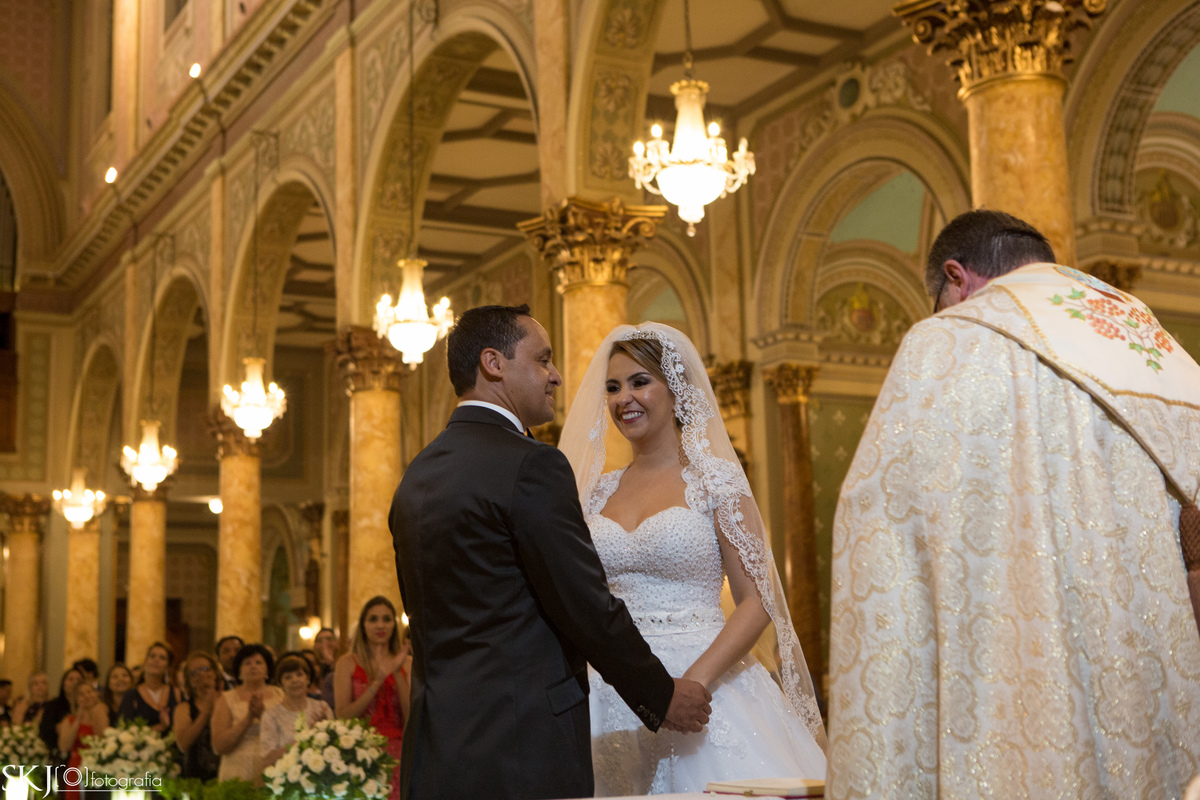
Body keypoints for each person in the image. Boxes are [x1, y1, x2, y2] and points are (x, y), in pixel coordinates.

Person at [827, 210, 1200, 798]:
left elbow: (881, 519)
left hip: (1011, 670)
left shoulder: (946, 337)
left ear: (957, 277)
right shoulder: (1142, 335)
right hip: (1146, 664)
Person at [389, 304, 711, 800]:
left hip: (437, 747)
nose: (557, 376)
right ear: (494, 364)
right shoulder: (531, 465)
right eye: (543, 360)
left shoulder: (417, 476)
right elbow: (583, 604)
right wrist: (661, 696)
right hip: (522, 744)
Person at [559, 324, 827, 794]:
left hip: (707, 682)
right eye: (613, 387)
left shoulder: (715, 481)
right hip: (612, 686)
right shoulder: (597, 492)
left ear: (674, 388)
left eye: (640, 381)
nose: (625, 398)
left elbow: (757, 600)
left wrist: (691, 684)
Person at [334, 598, 410, 800]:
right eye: (373, 619)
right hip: (358, 752)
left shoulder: (407, 662)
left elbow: (411, 716)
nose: (380, 625)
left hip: (400, 754)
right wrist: (376, 683)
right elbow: (343, 715)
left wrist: (396, 671)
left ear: (394, 625)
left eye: (386, 619)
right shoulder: (347, 662)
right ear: (363, 625)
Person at [210, 643, 282, 783]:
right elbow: (218, 746)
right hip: (236, 770)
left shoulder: (280, 695)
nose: (253, 666)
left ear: (267, 670)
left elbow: (288, 735)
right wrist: (248, 719)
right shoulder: (226, 699)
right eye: (247, 663)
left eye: (259, 662)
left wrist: (263, 716)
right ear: (239, 671)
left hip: (273, 769)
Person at [261, 653, 332, 768]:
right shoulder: (271, 715)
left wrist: (326, 730)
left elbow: (334, 745)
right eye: (288, 677)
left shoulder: (322, 708)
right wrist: (305, 739)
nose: (295, 680)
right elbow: (267, 759)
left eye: (299, 675)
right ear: (280, 684)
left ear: (307, 679)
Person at [173, 652, 221, 781]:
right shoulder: (184, 709)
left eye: (205, 669)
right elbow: (183, 744)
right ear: (189, 681)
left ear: (215, 672)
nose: (200, 674)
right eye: (194, 673)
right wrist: (206, 711)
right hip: (196, 777)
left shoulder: (228, 701)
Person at [57, 681, 108, 800]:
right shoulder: (69, 719)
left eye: (89, 692)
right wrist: (78, 718)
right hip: (77, 766)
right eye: (81, 694)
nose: (86, 696)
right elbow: (64, 746)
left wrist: (95, 713)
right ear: (75, 699)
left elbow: (103, 739)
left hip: (99, 766)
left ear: (96, 694)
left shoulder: (104, 712)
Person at [118, 642, 179, 733]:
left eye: (162, 658)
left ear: (168, 667)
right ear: (145, 661)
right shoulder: (131, 695)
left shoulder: (176, 693)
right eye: (152, 656)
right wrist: (160, 727)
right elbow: (124, 732)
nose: (156, 660)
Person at [39, 669, 81, 759]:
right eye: (71, 679)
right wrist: (58, 728)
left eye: (78, 680)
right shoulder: (53, 705)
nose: (75, 683)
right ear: (63, 684)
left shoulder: (86, 706)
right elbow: (44, 729)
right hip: (57, 752)